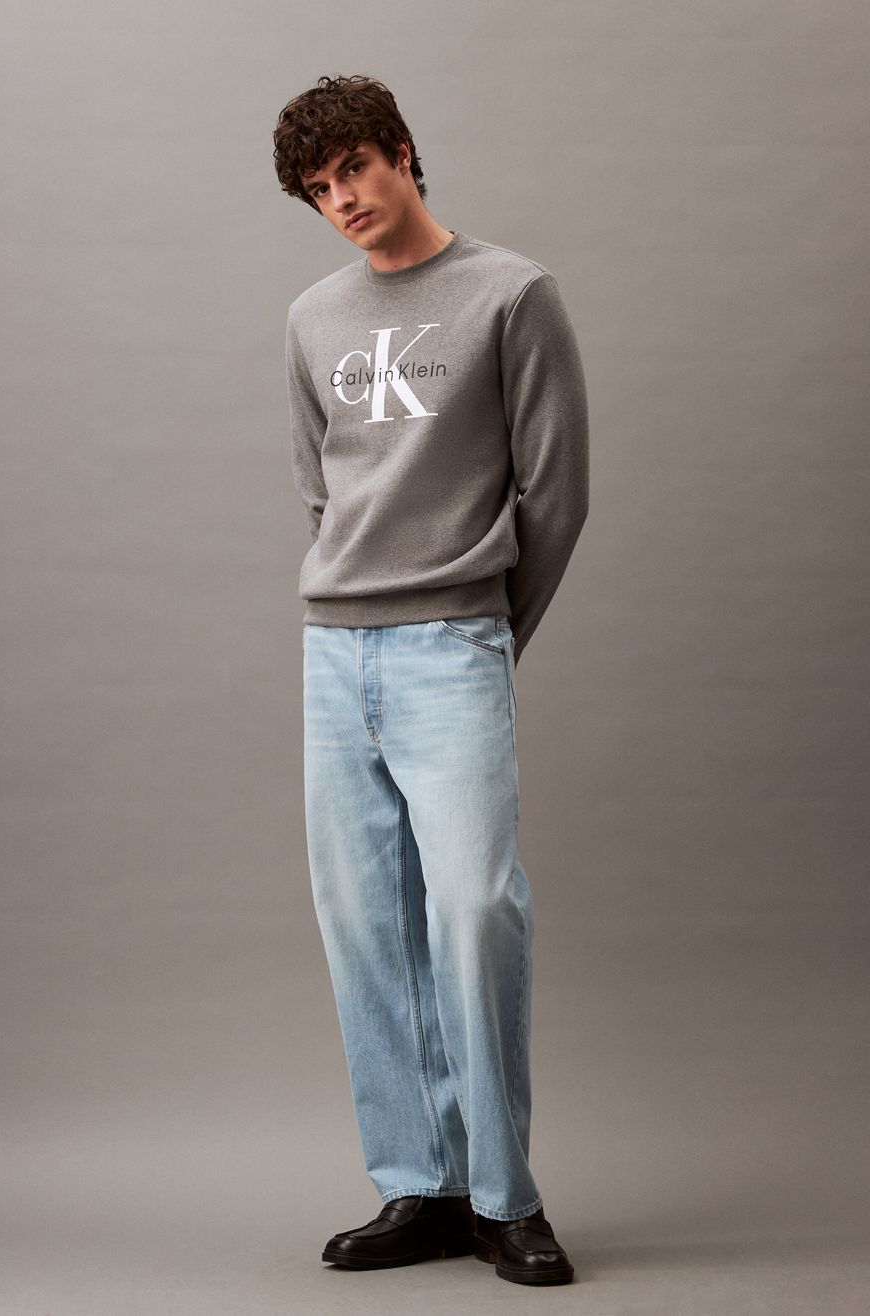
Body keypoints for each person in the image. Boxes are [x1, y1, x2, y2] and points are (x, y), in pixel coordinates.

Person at [272, 73, 589, 1287]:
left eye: (353, 167)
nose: (342, 198)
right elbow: (320, 489)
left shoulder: (512, 293)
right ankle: (420, 1183)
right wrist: (355, 608)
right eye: (319, 189)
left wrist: (484, 631)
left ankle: (505, 1195)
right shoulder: (311, 317)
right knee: (364, 925)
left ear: (402, 152)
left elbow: (555, 491)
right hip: (333, 651)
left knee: (472, 908)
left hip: (452, 641)